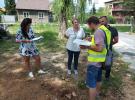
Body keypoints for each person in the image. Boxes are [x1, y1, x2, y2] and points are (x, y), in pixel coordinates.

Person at [80, 16, 111, 100]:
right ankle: (97, 95)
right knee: (98, 80)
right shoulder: (105, 30)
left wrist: (87, 46)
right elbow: (102, 42)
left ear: (92, 23)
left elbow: (99, 48)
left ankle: (93, 97)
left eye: (89, 25)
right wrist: (91, 39)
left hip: (94, 63)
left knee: (91, 84)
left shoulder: (98, 32)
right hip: (100, 61)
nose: (89, 27)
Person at [99, 16, 119, 80]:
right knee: (99, 64)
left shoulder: (113, 29)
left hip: (108, 50)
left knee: (108, 65)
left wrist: (109, 45)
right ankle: (99, 76)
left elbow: (116, 40)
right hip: (99, 50)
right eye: (100, 22)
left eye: (103, 21)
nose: (101, 23)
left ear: (107, 21)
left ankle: (107, 77)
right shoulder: (99, 29)